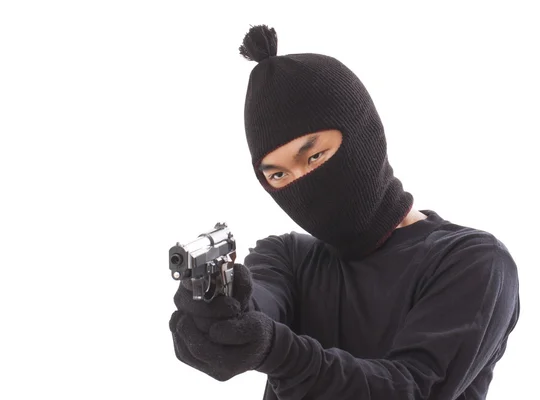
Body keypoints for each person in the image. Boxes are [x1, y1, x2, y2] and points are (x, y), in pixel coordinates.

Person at [169, 25, 520, 400]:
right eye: (279, 174)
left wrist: (279, 351)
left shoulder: (472, 261)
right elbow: (260, 305)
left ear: (363, 133)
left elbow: (413, 389)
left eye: (315, 155)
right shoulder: (287, 257)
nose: (303, 182)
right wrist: (217, 315)